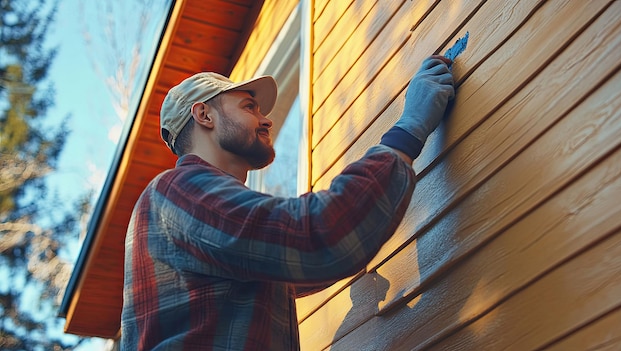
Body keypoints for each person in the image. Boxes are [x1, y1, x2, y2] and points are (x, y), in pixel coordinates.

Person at [121, 55, 455, 350]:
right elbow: (317, 237)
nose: (267, 120)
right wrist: (408, 129)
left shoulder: (189, 209)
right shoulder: (178, 189)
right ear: (204, 115)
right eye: (249, 107)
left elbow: (293, 263)